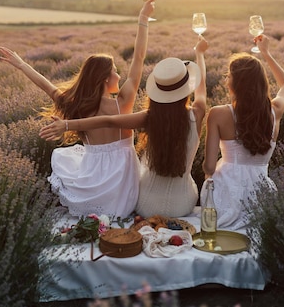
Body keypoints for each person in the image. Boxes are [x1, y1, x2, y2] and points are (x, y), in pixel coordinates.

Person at [0, 0, 157, 218]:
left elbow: (48, 87)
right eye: (115, 71)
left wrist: (22, 65)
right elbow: (139, 57)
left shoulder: (77, 107)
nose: (119, 74)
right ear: (105, 79)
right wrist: (143, 19)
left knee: (69, 161)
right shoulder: (123, 104)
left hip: (92, 181)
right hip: (123, 191)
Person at [40, 36, 209, 218]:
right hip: (183, 204)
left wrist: (67, 125)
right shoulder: (198, 112)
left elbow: (109, 121)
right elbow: (202, 87)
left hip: (146, 205)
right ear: (186, 88)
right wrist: (199, 54)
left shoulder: (149, 118)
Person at [200, 33, 284, 230]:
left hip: (225, 196)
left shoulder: (218, 114)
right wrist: (266, 53)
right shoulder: (275, 111)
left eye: (229, 76)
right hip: (261, 197)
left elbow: (208, 168)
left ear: (236, 83)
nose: (226, 80)